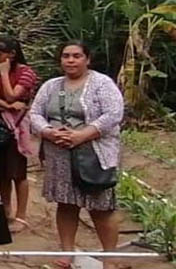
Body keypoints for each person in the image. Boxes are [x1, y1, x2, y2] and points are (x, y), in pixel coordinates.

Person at [28, 41, 123, 269]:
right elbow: (35, 113)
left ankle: (110, 258)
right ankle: (67, 252)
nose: (70, 60)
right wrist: (48, 132)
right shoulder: (51, 86)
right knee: (66, 204)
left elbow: (113, 114)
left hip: (94, 155)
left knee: (100, 207)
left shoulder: (102, 83)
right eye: (66, 56)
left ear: (87, 59)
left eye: (77, 56)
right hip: (59, 155)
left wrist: (82, 135)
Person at [0, 35, 39, 233]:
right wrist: (7, 105)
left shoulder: (26, 73)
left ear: (12, 54)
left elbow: (12, 94)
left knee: (18, 172)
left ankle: (21, 216)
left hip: (16, 128)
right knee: (3, 172)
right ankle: (6, 209)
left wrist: (5, 74)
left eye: (0, 54)